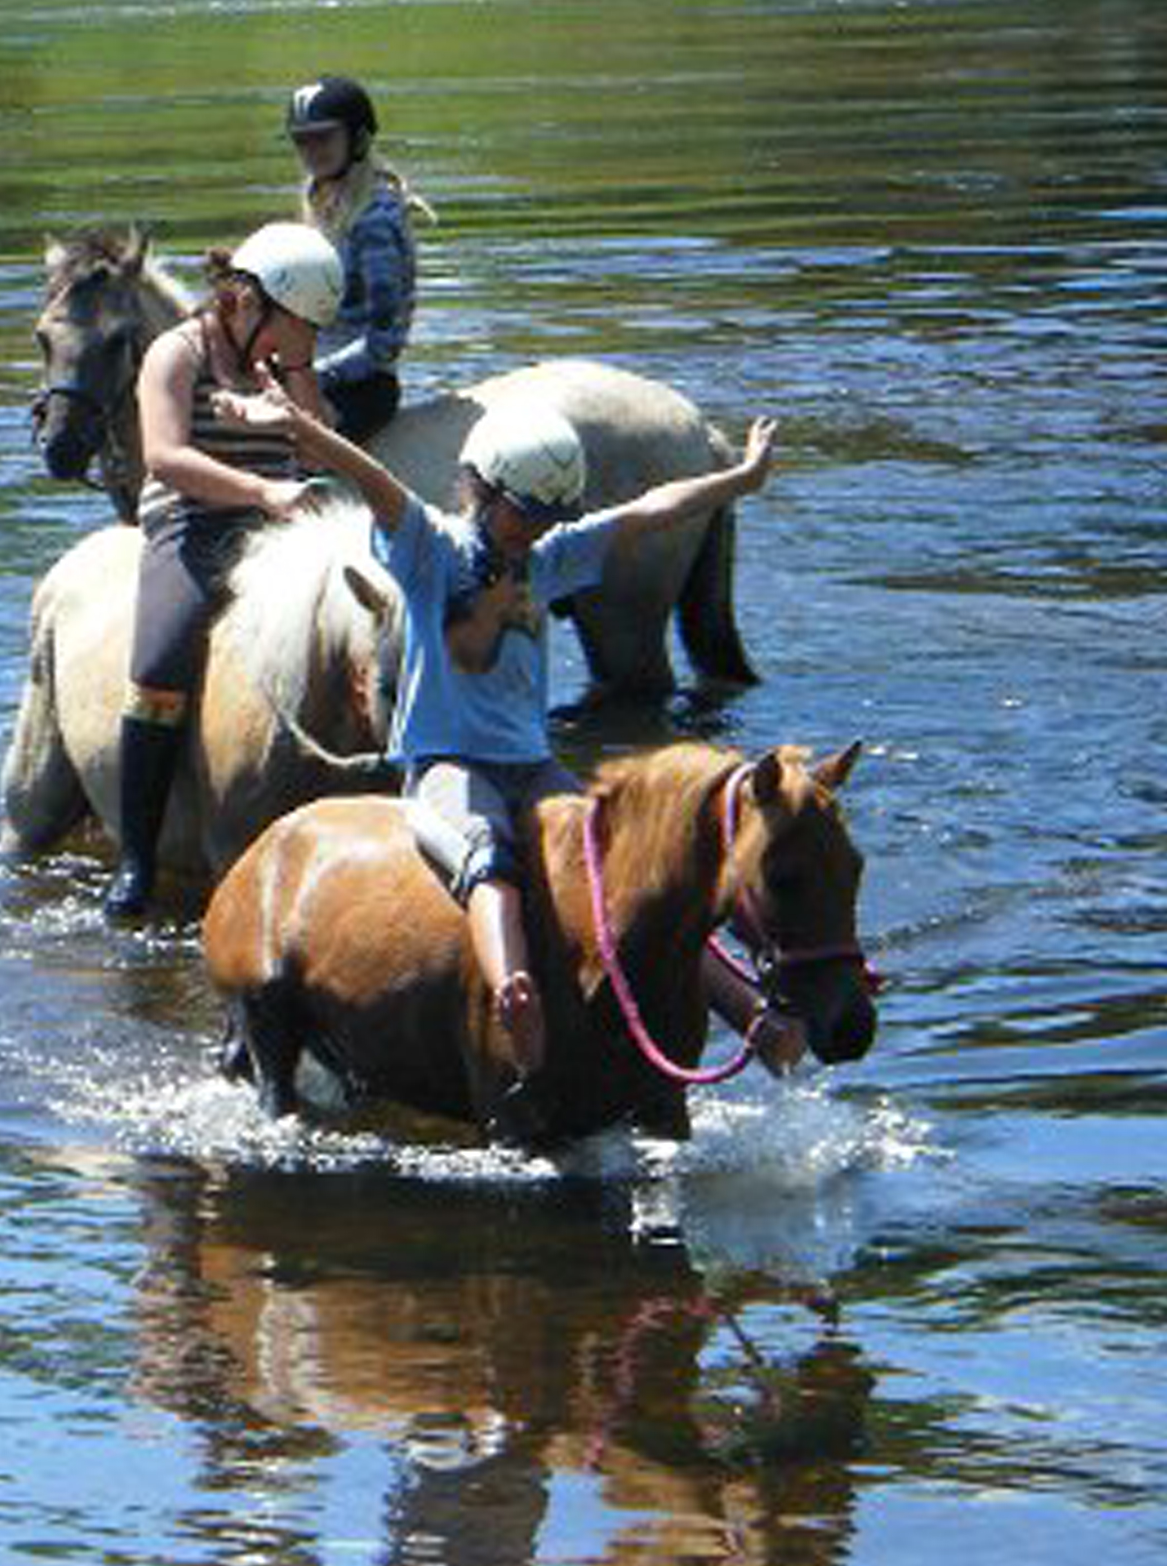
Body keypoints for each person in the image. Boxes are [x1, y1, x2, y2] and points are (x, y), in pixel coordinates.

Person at [217, 384, 783, 1111]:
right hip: (447, 768)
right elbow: (377, 485)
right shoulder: (431, 551)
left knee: (626, 881)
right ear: (481, 490)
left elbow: (648, 513)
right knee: (488, 858)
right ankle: (514, 993)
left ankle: (750, 1015)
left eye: (550, 515)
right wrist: (303, 430)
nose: (534, 529)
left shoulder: (549, 557)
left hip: (531, 765)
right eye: (524, 512)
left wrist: (740, 479)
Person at [102, 219, 348, 924]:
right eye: (298, 330)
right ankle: (138, 857)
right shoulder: (174, 355)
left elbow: (322, 451)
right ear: (250, 303)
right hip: (194, 522)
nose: (305, 347)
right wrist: (261, 491)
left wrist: (299, 382)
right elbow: (166, 458)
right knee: (159, 662)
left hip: (279, 519)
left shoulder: (284, 359)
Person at [285, 75, 430, 444]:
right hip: (313, 373)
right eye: (302, 140)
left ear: (358, 138)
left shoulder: (374, 220)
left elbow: (385, 341)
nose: (311, 150)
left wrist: (315, 374)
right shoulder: (325, 206)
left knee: (295, 460)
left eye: (324, 137)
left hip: (363, 389)